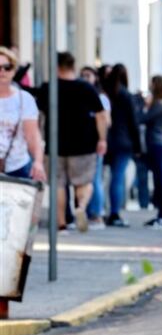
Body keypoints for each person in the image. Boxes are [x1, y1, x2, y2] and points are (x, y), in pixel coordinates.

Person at [39, 52, 106, 232]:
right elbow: (101, 116)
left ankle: (61, 223)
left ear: (56, 67)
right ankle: (81, 207)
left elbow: (40, 115)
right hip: (84, 144)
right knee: (84, 182)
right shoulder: (86, 88)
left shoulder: (48, 88)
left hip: (55, 144)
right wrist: (102, 139)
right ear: (73, 67)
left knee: (58, 184)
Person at [0, 46, 45, 182]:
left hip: (17, 166)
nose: (2, 71)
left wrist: (38, 162)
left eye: (7, 67)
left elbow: (32, 135)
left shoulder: (24, 99)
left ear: (14, 71)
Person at [103, 64, 140, 227]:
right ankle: (114, 212)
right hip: (123, 142)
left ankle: (102, 210)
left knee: (105, 177)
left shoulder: (105, 94)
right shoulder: (126, 95)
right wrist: (138, 145)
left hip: (107, 140)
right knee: (117, 178)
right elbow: (133, 122)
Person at [140, 75, 162, 228]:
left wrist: (144, 106)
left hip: (157, 145)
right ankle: (161, 214)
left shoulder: (159, 105)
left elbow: (143, 118)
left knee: (161, 180)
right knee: (160, 180)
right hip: (160, 144)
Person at [81, 65, 111, 229]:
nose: (86, 78)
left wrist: (102, 139)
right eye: (83, 75)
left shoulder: (101, 98)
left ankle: (97, 214)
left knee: (95, 178)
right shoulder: (80, 94)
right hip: (81, 143)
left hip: (95, 142)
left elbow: (107, 121)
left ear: (95, 78)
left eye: (89, 75)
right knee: (84, 179)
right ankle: (86, 211)